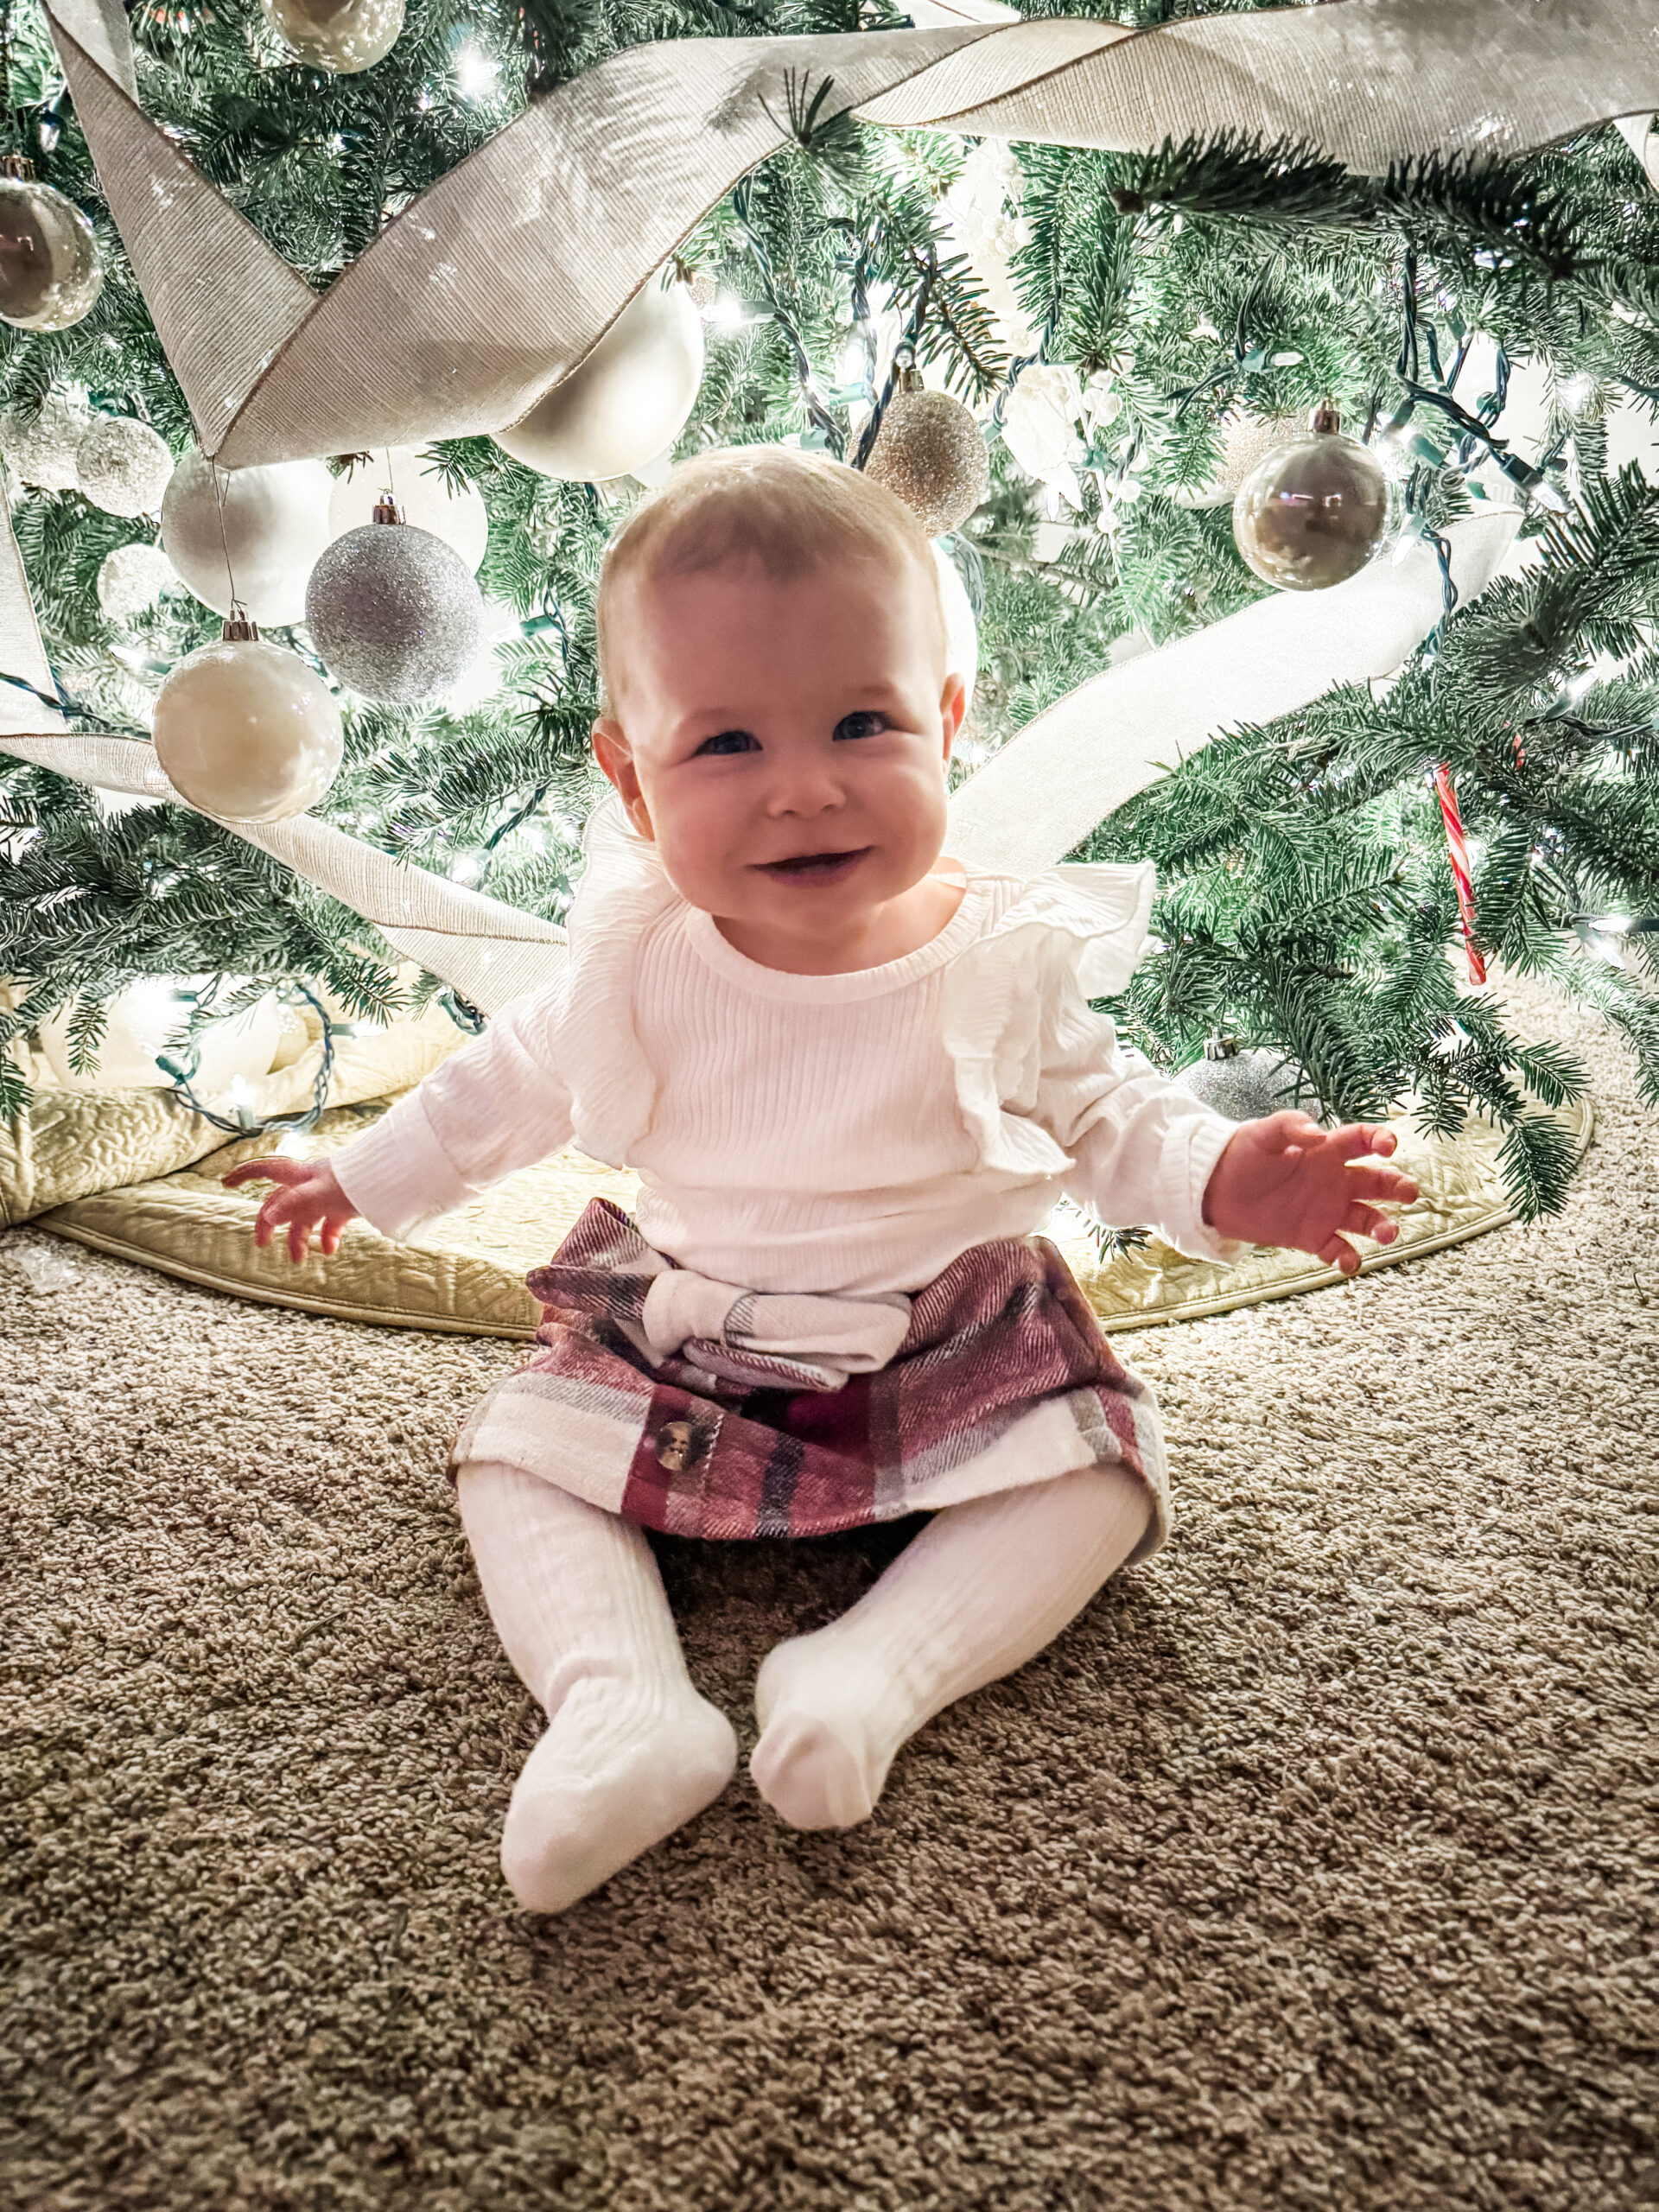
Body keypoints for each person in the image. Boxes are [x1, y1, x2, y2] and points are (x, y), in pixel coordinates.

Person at [224, 446, 1417, 1916]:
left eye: (862, 722)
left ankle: (872, 1673)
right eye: (726, 746)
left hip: (950, 1332)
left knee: (1105, 1475)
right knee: (515, 1450)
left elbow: (1108, 1113)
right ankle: (620, 1705)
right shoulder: (635, 959)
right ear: (631, 776)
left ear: (950, 724)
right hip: (692, 1327)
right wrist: (363, 1175)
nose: (804, 790)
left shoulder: (996, 957)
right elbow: (505, 1089)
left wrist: (1227, 1172)